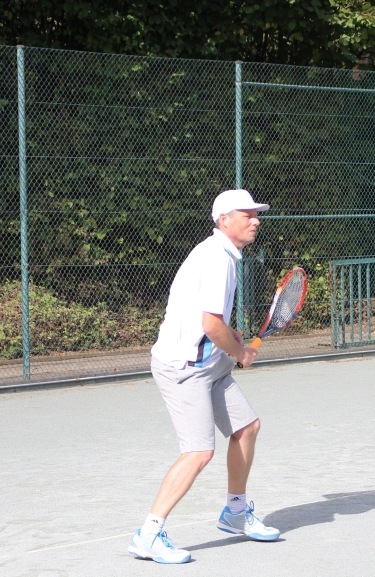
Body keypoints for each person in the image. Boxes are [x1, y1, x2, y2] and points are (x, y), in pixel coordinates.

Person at [127, 189, 281, 564]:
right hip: (185, 368)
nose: (256, 220)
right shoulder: (217, 259)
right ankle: (148, 535)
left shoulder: (222, 253)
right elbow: (210, 325)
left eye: (256, 214)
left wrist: (232, 340)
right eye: (247, 215)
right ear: (224, 220)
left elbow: (211, 322)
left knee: (246, 428)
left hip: (210, 365)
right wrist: (241, 352)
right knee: (198, 452)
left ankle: (235, 512)